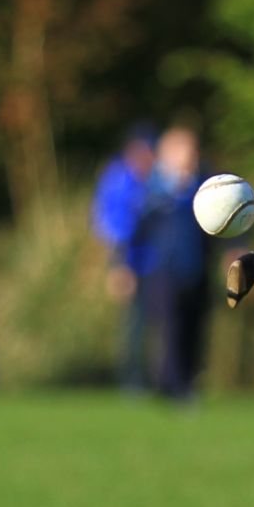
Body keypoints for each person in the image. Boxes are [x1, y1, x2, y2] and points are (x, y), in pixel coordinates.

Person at [134, 123, 215, 403]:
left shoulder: (208, 184)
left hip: (197, 267)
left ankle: (187, 383)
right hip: (164, 270)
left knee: (195, 327)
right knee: (170, 328)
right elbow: (138, 229)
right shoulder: (154, 188)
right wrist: (125, 266)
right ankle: (170, 385)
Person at [90, 121, 157, 393]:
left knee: (156, 325)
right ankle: (131, 380)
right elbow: (112, 226)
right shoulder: (118, 178)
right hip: (130, 263)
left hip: (156, 263)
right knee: (133, 326)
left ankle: (155, 378)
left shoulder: (154, 179)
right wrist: (119, 266)